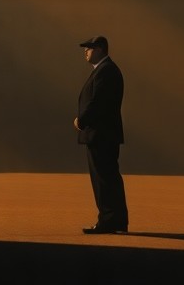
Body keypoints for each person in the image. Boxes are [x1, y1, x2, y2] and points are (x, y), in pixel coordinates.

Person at [74, 35, 128, 234]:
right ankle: (116, 220)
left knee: (103, 178)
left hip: (101, 134)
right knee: (108, 177)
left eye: (89, 48)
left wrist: (81, 121)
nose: (85, 51)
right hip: (104, 134)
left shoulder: (105, 71)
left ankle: (108, 220)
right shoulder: (106, 70)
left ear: (100, 49)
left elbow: (97, 102)